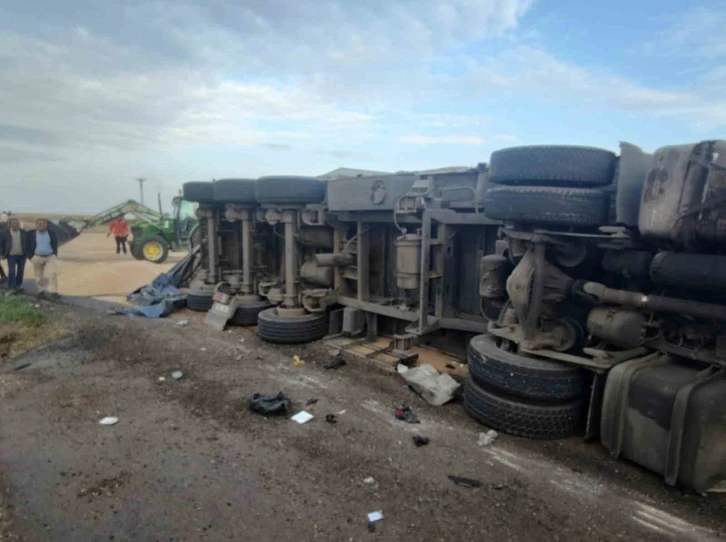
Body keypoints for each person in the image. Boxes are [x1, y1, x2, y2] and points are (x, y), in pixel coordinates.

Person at [25, 218, 59, 299]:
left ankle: (54, 292)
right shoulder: (30, 234)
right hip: (37, 257)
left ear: (46, 225)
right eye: (39, 223)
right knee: (39, 276)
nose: (41, 225)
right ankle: (41, 291)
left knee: (52, 274)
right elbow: (26, 246)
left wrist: (55, 254)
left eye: (43, 223)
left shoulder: (51, 233)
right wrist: (31, 257)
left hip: (50, 256)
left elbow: (55, 244)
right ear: (36, 224)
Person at [0, 218, 28, 295]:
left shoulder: (24, 232)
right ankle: (11, 288)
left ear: (19, 224)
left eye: (17, 223)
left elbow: (28, 242)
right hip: (11, 255)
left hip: (22, 255)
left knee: (20, 271)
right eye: (13, 223)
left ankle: (17, 286)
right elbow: (1, 244)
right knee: (12, 271)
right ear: (10, 224)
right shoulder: (4, 233)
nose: (15, 225)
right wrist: (1, 254)